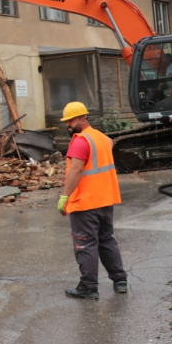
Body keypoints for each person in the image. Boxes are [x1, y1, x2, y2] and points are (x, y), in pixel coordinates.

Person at [57, 102, 128, 299]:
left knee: (85, 244)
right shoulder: (103, 138)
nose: (68, 125)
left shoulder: (80, 141)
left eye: (71, 120)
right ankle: (120, 280)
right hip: (105, 199)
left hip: (86, 203)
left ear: (83, 118)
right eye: (67, 121)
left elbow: (76, 170)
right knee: (106, 240)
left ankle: (88, 287)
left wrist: (65, 196)